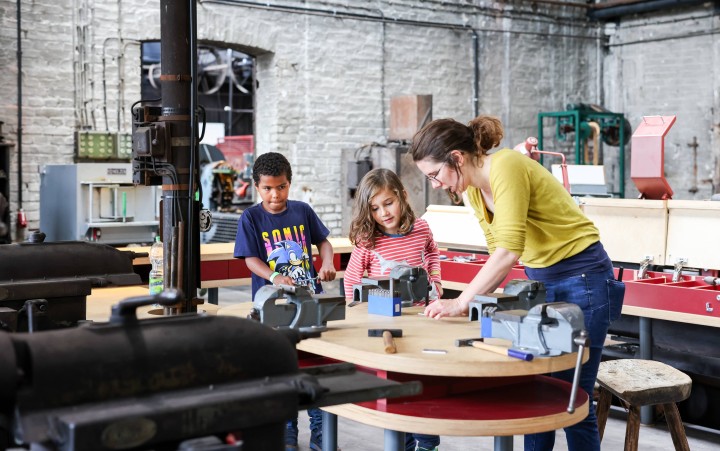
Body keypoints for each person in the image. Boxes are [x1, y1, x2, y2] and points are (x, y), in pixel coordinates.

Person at [410, 116, 625, 451]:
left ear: (457, 157)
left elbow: (511, 249)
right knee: (536, 394)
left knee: (572, 399)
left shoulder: (507, 165)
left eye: (435, 174)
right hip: (541, 281)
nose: (436, 184)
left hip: (584, 279)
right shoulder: (474, 194)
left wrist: (460, 301)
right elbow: (498, 250)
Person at [233, 151, 337, 451]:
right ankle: (287, 433)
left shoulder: (302, 211)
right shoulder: (251, 217)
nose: (275, 194)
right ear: (257, 187)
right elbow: (250, 259)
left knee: (316, 366)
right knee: (282, 369)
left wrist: (327, 262)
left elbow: (324, 242)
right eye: (268, 188)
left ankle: (321, 434)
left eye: (281, 187)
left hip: (309, 303)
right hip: (272, 309)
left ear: (289, 184)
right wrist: (275, 277)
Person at [343, 168, 442, 451]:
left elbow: (433, 252)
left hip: (422, 321)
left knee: (424, 382)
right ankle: (405, 443)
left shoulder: (421, 228)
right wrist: (357, 315)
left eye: (388, 203)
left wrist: (435, 278)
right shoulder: (368, 240)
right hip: (387, 322)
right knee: (398, 388)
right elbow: (351, 279)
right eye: (375, 208)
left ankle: (427, 443)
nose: (384, 213)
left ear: (402, 196)